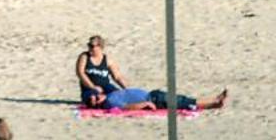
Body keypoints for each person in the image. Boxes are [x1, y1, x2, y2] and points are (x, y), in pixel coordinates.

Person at [77, 36, 224, 113]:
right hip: (90, 87)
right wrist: (94, 89)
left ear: (100, 47)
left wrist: (128, 89)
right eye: (89, 45)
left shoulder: (107, 60)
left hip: (114, 90)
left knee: (179, 100)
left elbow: (117, 76)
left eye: (92, 45)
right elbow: (80, 73)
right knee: (180, 101)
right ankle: (213, 102)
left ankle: (213, 102)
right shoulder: (84, 57)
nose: (89, 47)